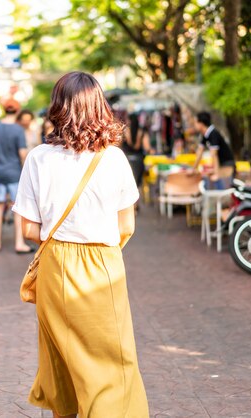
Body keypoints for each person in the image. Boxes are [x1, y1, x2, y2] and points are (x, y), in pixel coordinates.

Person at [12, 71, 149, 418]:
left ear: (56, 108)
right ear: (100, 108)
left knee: (62, 359)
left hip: (55, 264)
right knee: (112, 364)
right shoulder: (114, 158)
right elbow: (126, 225)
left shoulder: (38, 158)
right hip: (103, 264)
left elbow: (29, 228)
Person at [0, 99, 32, 253]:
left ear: (4, 110)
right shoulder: (18, 130)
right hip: (14, 174)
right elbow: (22, 154)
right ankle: (19, 243)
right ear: (17, 112)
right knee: (17, 208)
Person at [191, 111, 235, 189]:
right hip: (220, 165)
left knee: (220, 186)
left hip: (227, 165)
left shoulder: (213, 133)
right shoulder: (205, 135)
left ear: (201, 123)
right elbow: (199, 152)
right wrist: (193, 169)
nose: (194, 125)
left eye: (195, 123)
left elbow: (214, 154)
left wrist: (217, 174)